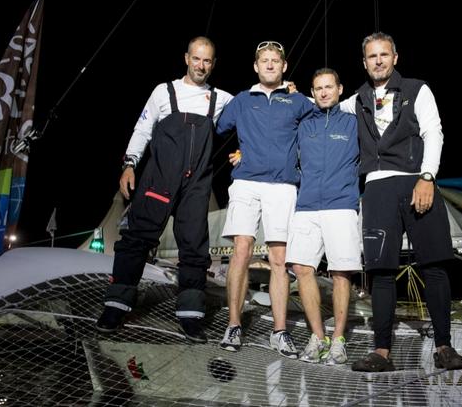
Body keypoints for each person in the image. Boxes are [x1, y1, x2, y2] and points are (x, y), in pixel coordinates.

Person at [339, 32, 462, 372]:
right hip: (377, 189)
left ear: (395, 57)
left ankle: (443, 347)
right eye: (372, 56)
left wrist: (427, 177)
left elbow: (433, 132)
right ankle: (382, 352)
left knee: (435, 265)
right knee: (381, 271)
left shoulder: (417, 89)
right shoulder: (355, 100)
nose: (378, 60)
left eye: (384, 54)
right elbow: (321, 106)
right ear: (364, 62)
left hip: (416, 182)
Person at [96, 36, 234, 343]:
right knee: (136, 239)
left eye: (207, 60)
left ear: (214, 64)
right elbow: (143, 128)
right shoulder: (163, 91)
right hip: (159, 178)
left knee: (195, 248)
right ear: (186, 58)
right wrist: (129, 164)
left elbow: (252, 116)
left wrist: (280, 92)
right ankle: (116, 306)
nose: (201, 66)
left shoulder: (222, 98)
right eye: (196, 59)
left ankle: (191, 316)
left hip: (197, 184)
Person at [216, 41, 314, 358]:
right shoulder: (242, 100)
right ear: (256, 67)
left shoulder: (298, 101)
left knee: (279, 260)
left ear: (284, 67)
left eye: (276, 61)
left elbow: (323, 122)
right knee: (241, 250)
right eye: (264, 61)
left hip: (283, 186)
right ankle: (233, 324)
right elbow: (216, 127)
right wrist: (241, 152)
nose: (270, 65)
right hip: (245, 182)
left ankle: (279, 331)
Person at [288, 68, 361, 365]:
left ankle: (338, 341)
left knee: (341, 272)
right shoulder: (304, 123)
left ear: (340, 89)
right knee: (302, 268)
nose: (324, 92)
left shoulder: (354, 122)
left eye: (329, 87)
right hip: (306, 206)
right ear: (313, 92)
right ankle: (318, 336)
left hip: (341, 205)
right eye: (318, 88)